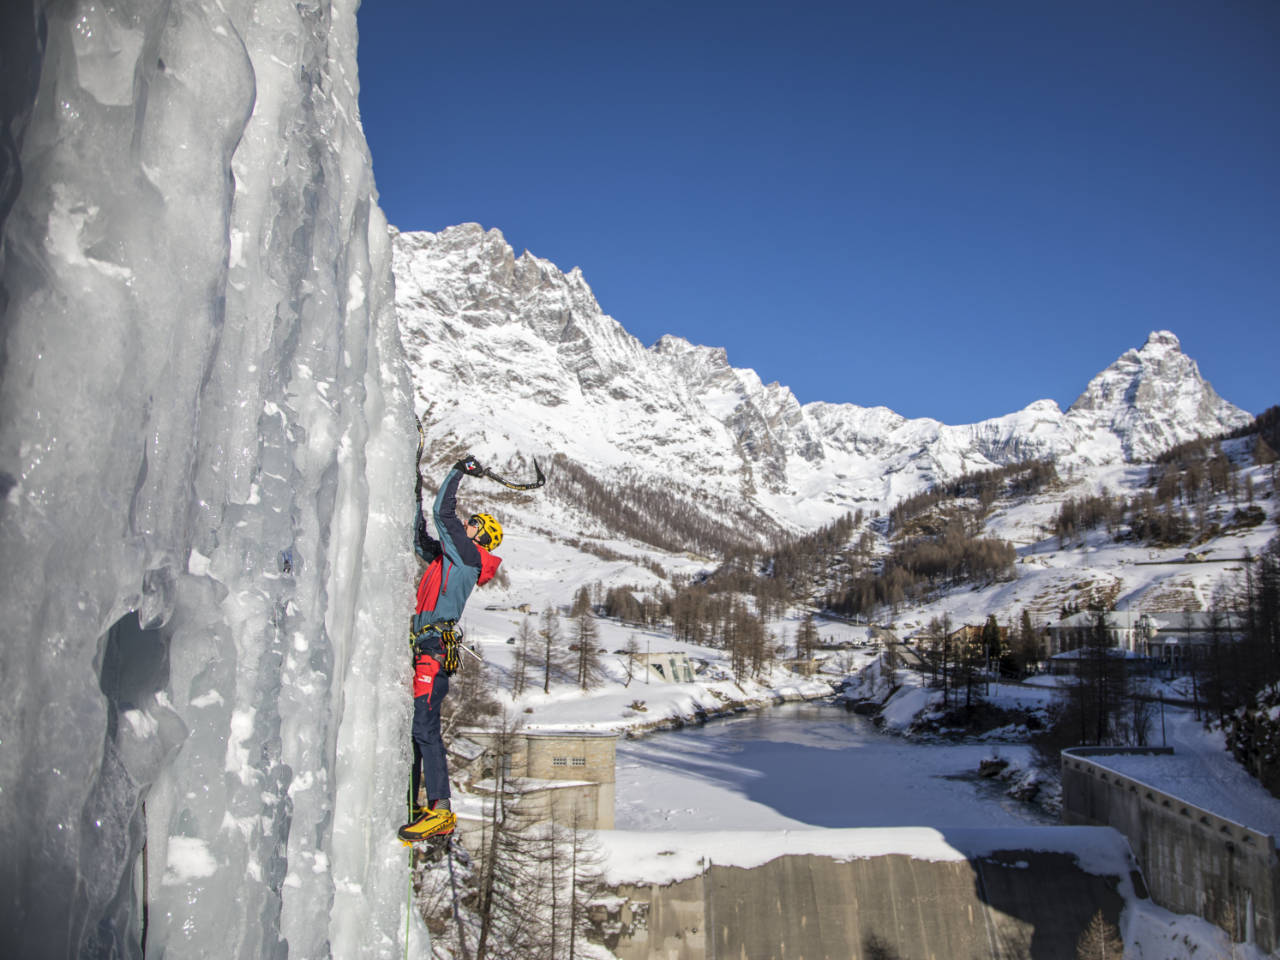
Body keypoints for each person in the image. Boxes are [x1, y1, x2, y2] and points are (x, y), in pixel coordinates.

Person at [398, 454, 503, 842]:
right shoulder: (450, 560)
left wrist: (459, 470)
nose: (468, 523)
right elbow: (419, 539)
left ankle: (441, 809)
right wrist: (412, 494)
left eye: (474, 523)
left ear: (482, 537)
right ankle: (414, 804)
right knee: (416, 728)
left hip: (433, 648)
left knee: (424, 727)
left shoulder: (469, 558)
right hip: (424, 645)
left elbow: (443, 515)